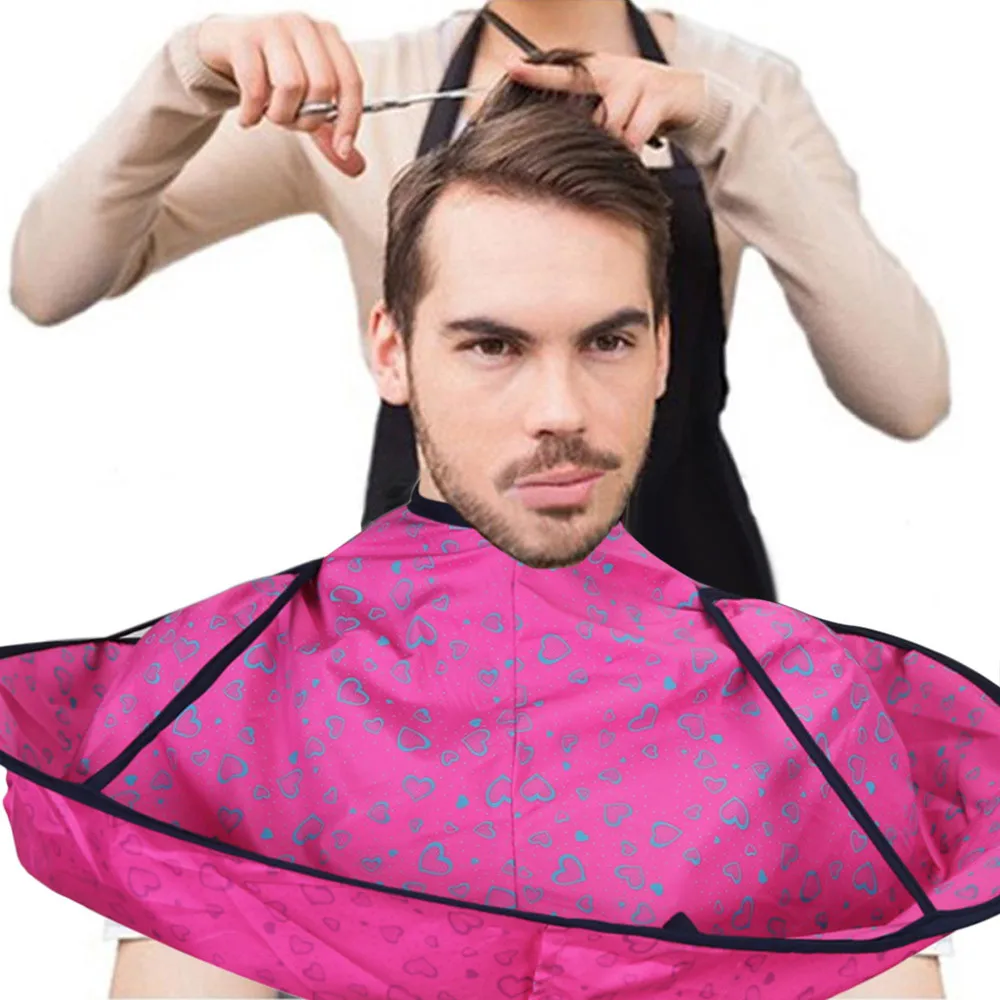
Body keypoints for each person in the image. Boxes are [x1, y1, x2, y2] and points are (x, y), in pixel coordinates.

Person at [7, 2, 952, 995]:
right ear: (393, 347)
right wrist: (182, 79)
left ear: (657, 346)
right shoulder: (366, 97)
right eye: (491, 343)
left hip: (696, 661)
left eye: (610, 339)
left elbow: (907, 390)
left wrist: (726, 127)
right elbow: (46, 280)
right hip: (411, 673)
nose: (556, 408)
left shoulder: (744, 88)